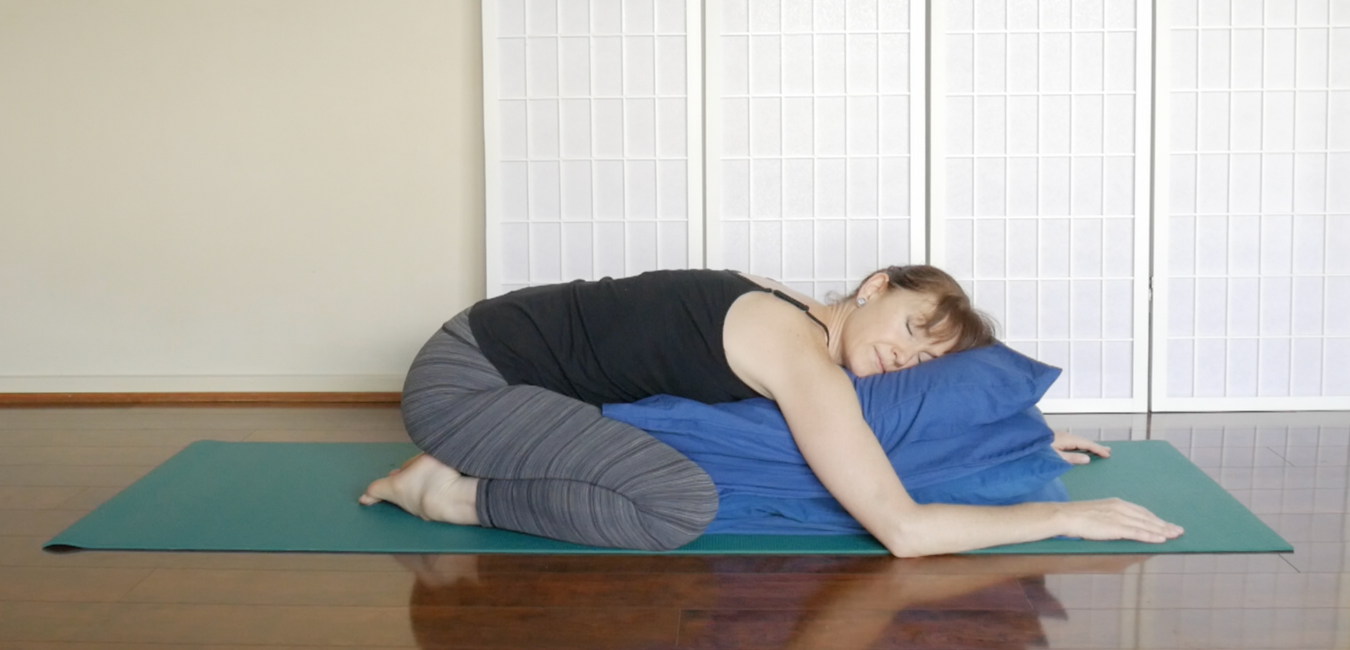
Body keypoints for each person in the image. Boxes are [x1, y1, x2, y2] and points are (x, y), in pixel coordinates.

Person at [359, 266, 1183, 555]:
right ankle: (446, 494)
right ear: (872, 289)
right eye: (910, 328)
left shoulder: (789, 311)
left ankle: (457, 472)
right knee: (678, 505)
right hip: (470, 384)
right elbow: (903, 530)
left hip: (495, 362)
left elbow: (891, 416)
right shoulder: (797, 357)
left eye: (931, 358)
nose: (909, 357)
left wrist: (1015, 441)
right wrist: (1057, 518)